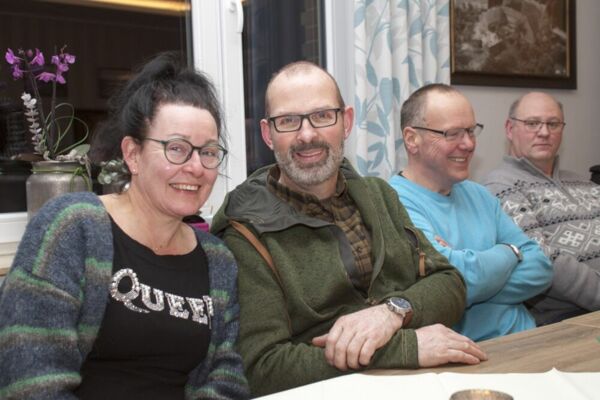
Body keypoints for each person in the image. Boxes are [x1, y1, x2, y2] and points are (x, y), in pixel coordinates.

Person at [210, 62, 487, 397]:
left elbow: (450, 283)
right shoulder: (245, 232)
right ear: (268, 134)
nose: (307, 135)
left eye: (322, 116)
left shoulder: (379, 195)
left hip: (422, 385)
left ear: (347, 122)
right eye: (288, 121)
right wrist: (404, 347)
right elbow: (262, 368)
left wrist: (391, 313)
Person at [0, 53, 249, 399]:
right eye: (177, 148)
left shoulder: (218, 261)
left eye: (207, 152)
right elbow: (30, 381)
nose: (196, 167)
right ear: (132, 154)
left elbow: (226, 377)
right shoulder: (72, 227)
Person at [388, 84, 553, 342]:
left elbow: (541, 267)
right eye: (452, 133)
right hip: (467, 352)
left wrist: (472, 289)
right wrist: (510, 252)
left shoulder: (479, 194)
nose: (468, 144)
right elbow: (455, 280)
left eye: (470, 131)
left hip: (529, 337)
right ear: (412, 139)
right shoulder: (393, 203)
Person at [482, 91, 600, 326]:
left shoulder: (584, 183)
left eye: (553, 124)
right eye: (532, 123)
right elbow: (543, 260)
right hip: (569, 322)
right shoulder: (499, 187)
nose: (544, 132)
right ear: (510, 129)